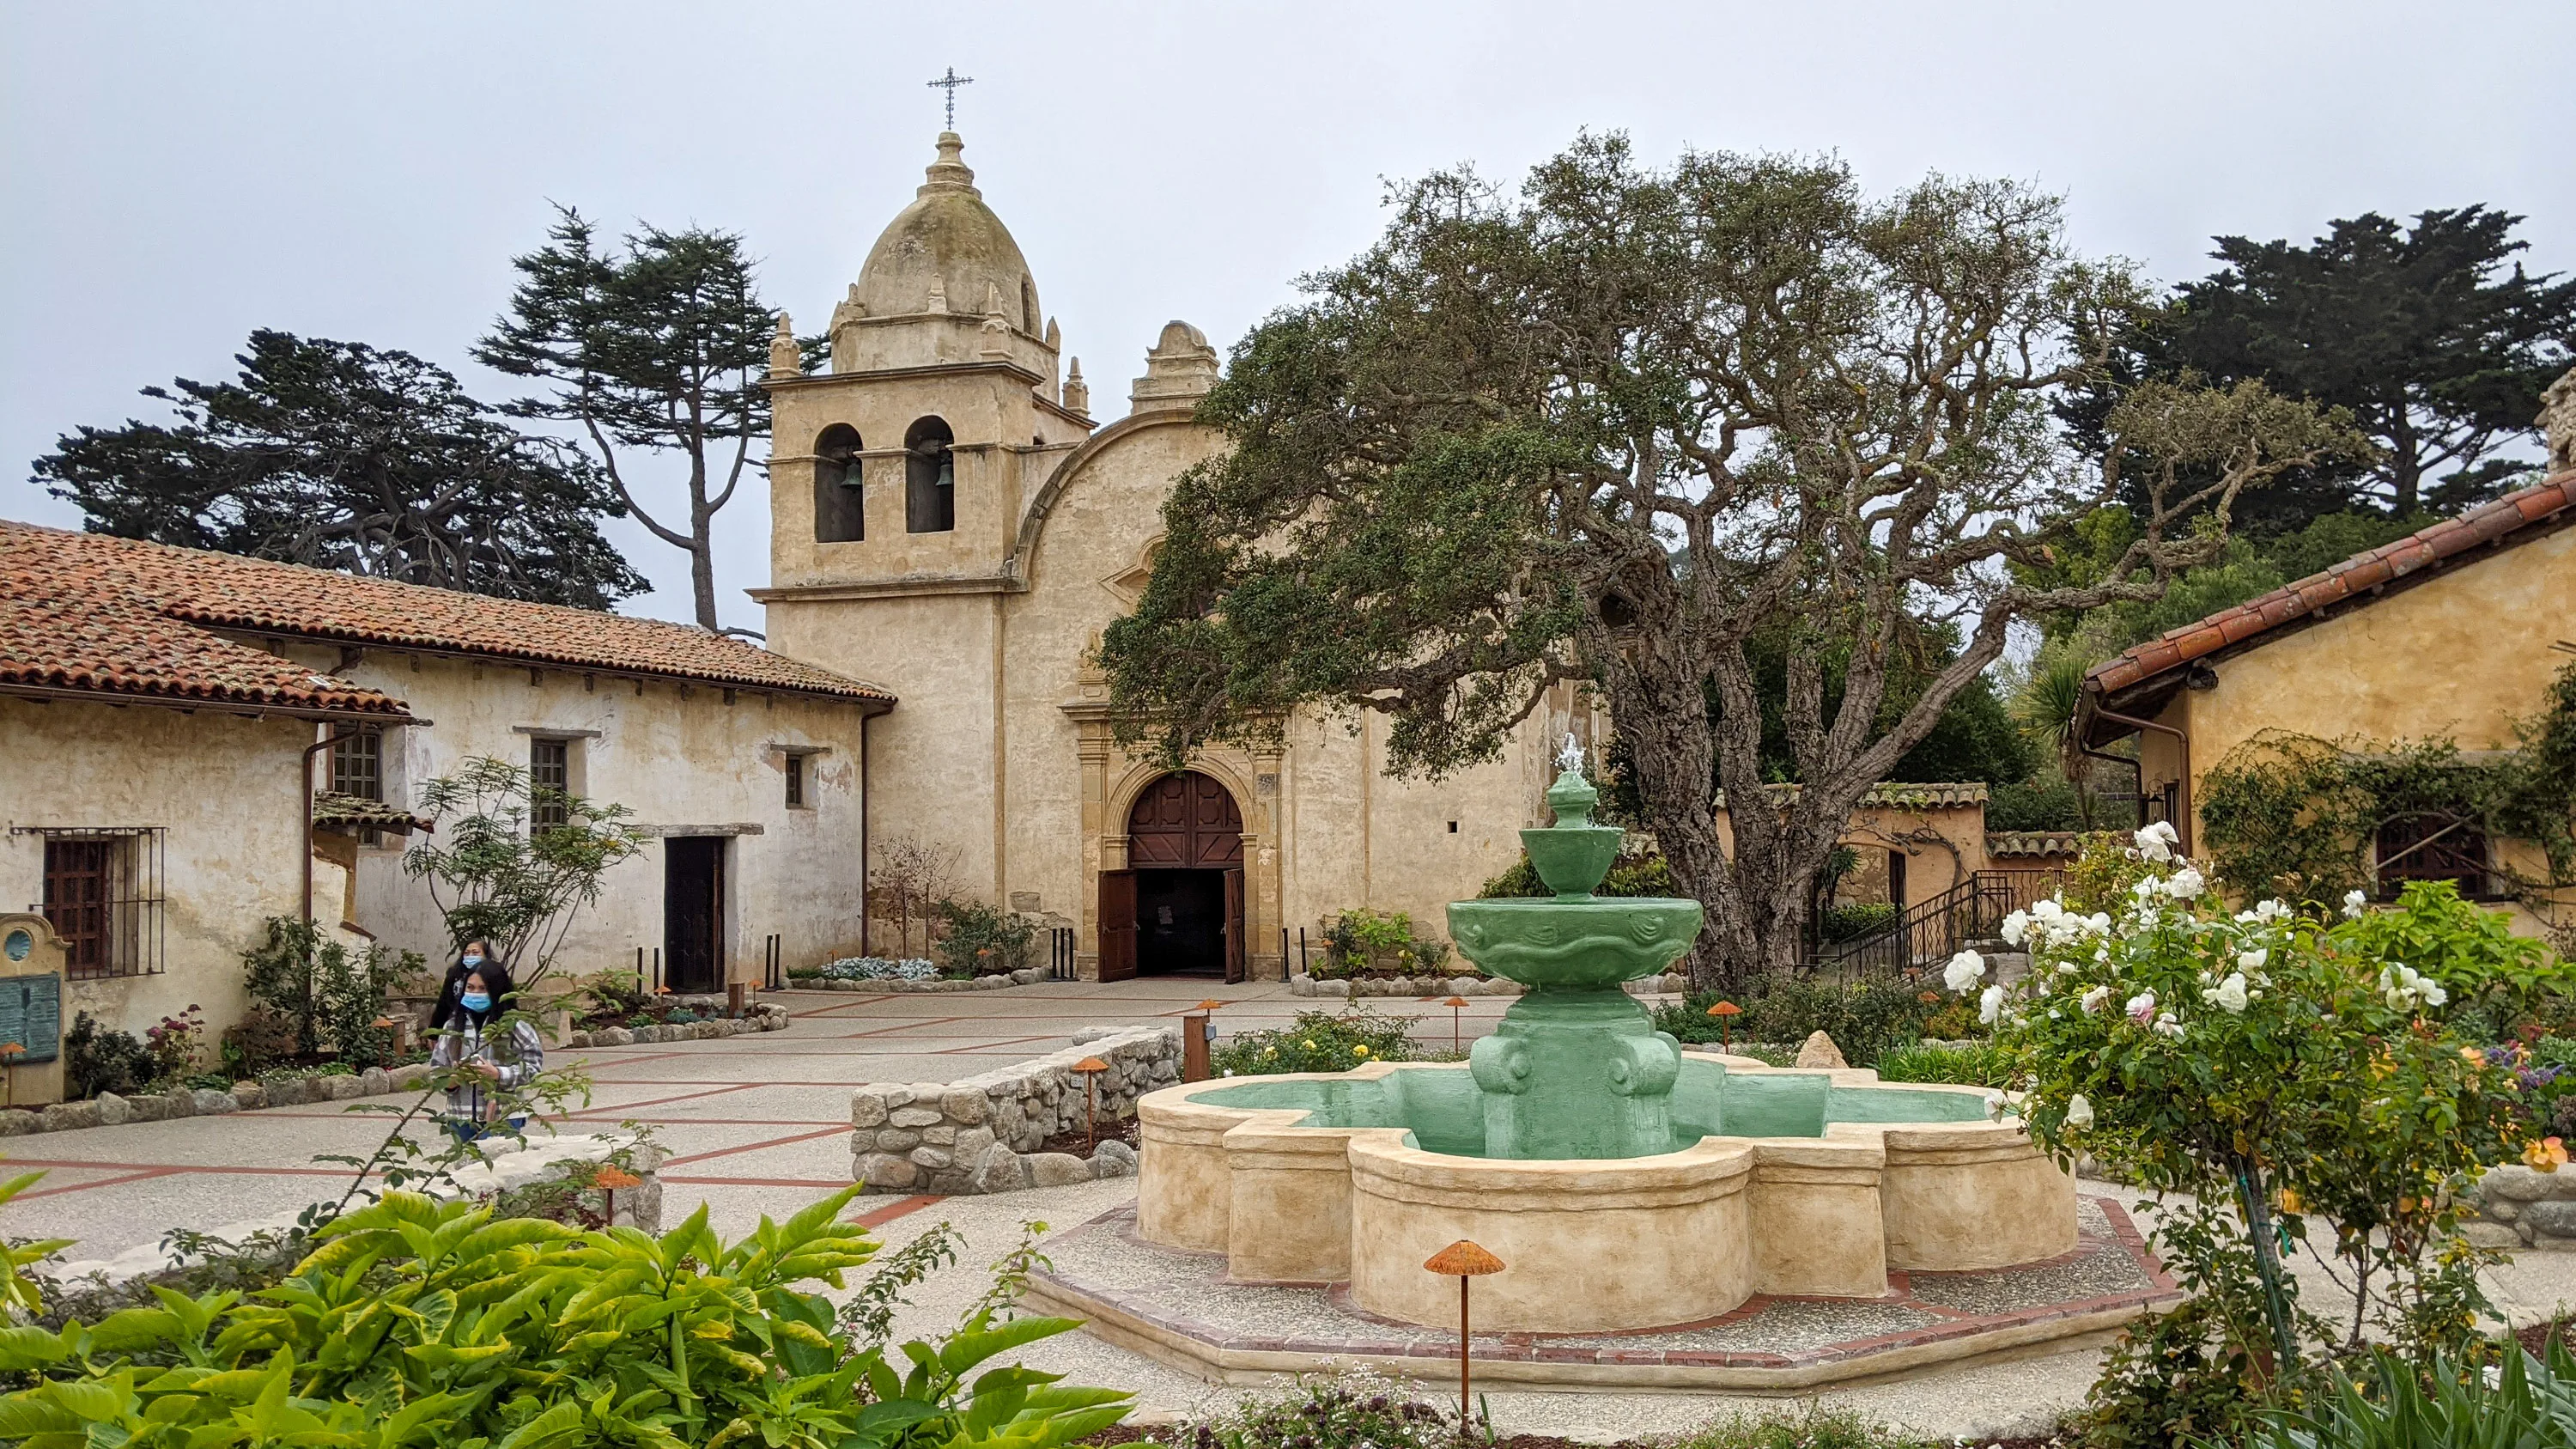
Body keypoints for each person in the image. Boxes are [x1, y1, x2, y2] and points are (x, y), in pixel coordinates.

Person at [428, 963, 543, 1146]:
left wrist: (498, 1074)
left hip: (503, 1115)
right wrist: (452, 1080)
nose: (475, 994)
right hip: (461, 1118)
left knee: (498, 1170)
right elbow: (436, 1070)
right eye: (470, 988)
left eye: (483, 989)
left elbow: (534, 1068)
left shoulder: (515, 1026)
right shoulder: (452, 1027)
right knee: (466, 1171)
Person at [427, 941, 496, 1031]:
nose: (470, 956)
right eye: (467, 953)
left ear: (485, 955)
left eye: (475, 953)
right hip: (459, 1023)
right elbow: (443, 1004)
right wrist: (435, 1030)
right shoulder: (454, 975)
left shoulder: (495, 975)